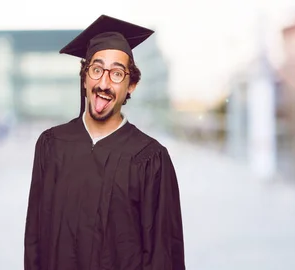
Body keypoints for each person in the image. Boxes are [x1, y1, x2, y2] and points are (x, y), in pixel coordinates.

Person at [24, 15, 185, 270]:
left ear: (132, 85)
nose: (104, 83)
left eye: (117, 74)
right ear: (85, 77)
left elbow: (163, 254)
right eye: (97, 70)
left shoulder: (150, 159)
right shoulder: (51, 145)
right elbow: (34, 239)